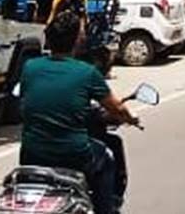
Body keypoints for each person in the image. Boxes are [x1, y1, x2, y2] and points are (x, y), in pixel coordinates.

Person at [20, 11, 138, 214]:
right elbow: (117, 108)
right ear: (77, 41)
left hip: (32, 154)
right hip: (74, 155)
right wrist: (131, 118)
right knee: (108, 157)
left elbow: (29, 101)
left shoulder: (30, 67)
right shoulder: (87, 73)